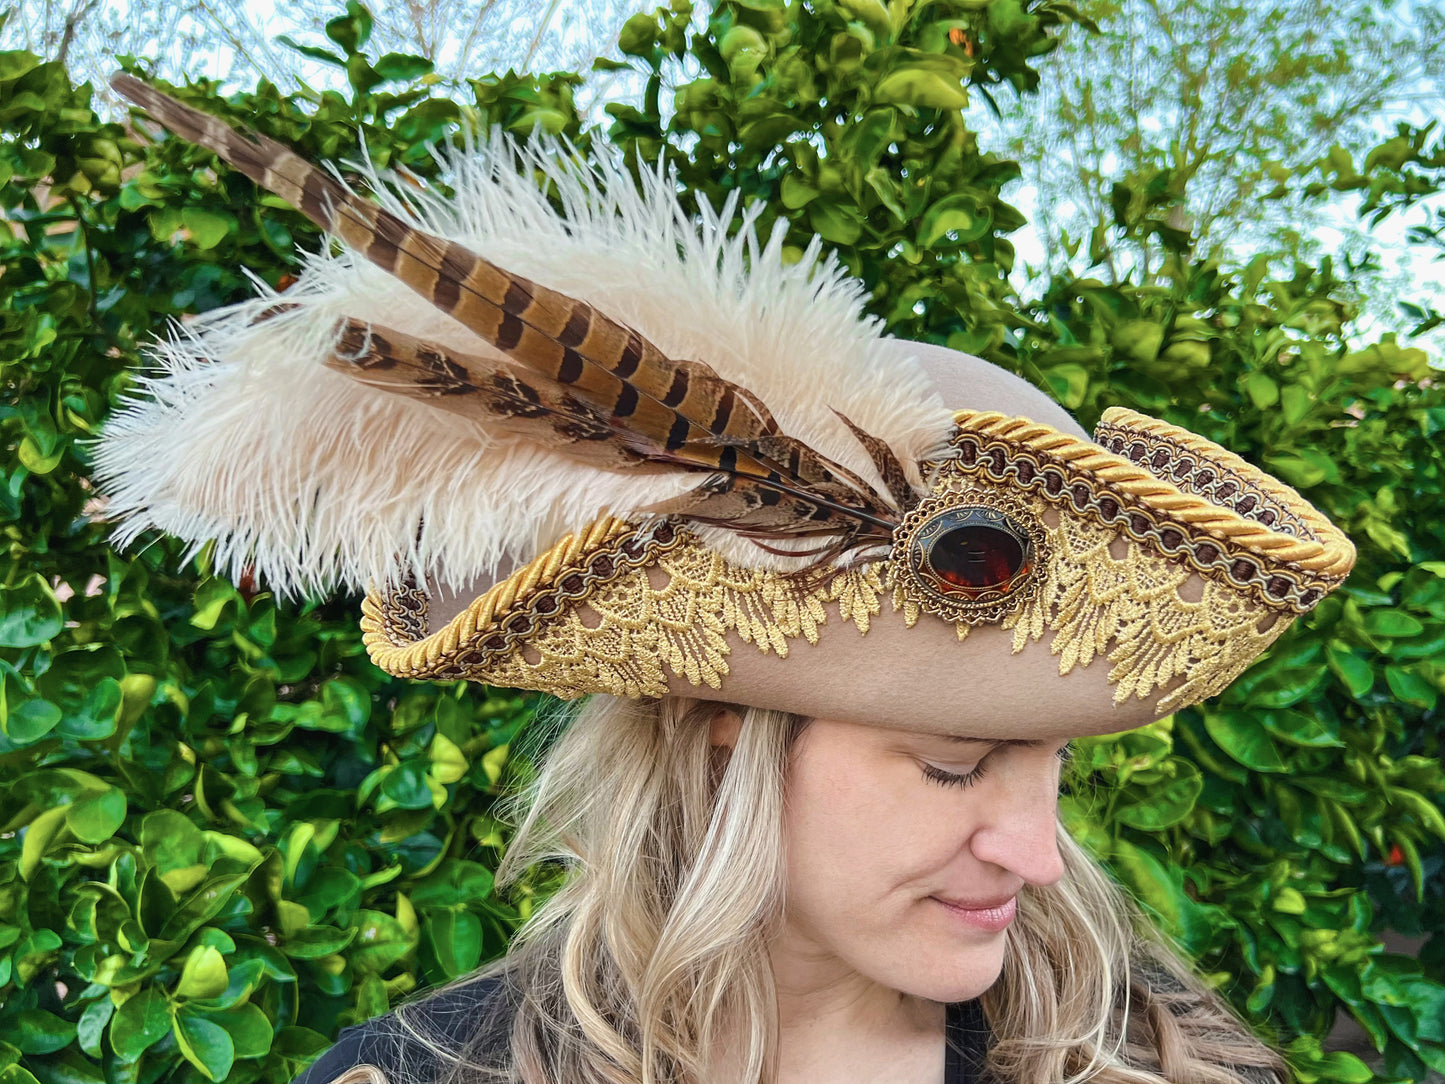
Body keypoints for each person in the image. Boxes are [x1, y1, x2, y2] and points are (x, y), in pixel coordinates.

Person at [96, 77, 1356, 1084]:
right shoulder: (428, 1077)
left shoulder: (1151, 1055)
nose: (1036, 851)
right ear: (715, 748)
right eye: (954, 764)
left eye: (1055, 763)